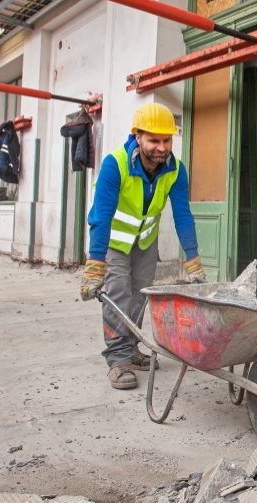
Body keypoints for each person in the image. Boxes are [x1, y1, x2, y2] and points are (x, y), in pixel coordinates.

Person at [80, 103, 207, 390]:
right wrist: (94, 265)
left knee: (139, 296)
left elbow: (182, 215)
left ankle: (131, 348)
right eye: (154, 140)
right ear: (138, 137)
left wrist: (193, 261)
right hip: (114, 241)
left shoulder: (175, 169)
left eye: (166, 140)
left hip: (144, 241)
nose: (161, 148)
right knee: (119, 293)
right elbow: (101, 216)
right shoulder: (116, 164)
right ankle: (118, 360)